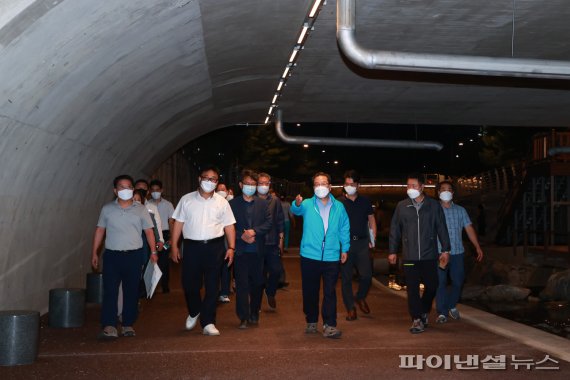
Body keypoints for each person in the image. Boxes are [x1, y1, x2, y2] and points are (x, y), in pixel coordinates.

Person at [170, 166, 236, 336]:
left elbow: (229, 225)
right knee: (189, 284)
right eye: (206, 178)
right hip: (191, 247)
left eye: (213, 179)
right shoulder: (186, 200)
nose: (209, 181)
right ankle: (194, 311)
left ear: (217, 182)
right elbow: (178, 223)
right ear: (199, 179)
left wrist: (231, 247)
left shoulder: (222, 202)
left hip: (214, 247)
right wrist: (175, 246)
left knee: (213, 286)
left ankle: (208, 322)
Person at [91, 175, 157, 339]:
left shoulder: (140, 209)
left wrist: (153, 252)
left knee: (131, 291)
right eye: (121, 187)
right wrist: (94, 252)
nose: (125, 190)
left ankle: (128, 324)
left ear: (133, 189)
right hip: (112, 256)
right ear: (115, 190)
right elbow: (100, 230)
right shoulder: (107, 209)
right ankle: (109, 325)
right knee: (110, 291)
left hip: (133, 256)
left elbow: (149, 231)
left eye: (129, 187)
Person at [388, 172, 451, 334]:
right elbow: (395, 229)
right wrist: (392, 251)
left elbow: (441, 227)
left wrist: (446, 249)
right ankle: (416, 319)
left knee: (432, 286)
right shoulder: (402, 206)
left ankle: (423, 310)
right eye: (408, 186)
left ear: (422, 187)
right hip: (409, 255)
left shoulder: (433, 205)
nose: (410, 189)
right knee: (412, 289)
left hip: (429, 254)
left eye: (414, 186)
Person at [291, 172, 350, 339]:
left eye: (323, 183)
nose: (320, 187)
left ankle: (329, 325)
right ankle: (311, 320)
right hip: (310, 255)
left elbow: (344, 228)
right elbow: (296, 210)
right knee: (310, 291)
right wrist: (296, 203)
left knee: (330, 291)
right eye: (316, 184)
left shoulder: (339, 207)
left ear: (330, 186)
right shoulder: (308, 204)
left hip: (332, 256)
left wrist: (344, 248)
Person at [435, 181, 484, 324]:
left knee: (458, 281)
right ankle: (442, 312)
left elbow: (468, 228)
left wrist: (477, 246)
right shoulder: (433, 210)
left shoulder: (461, 210)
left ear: (453, 192)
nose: (446, 191)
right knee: (441, 282)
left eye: (449, 189)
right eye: (443, 189)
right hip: (439, 252)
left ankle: (451, 305)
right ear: (438, 193)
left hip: (457, 252)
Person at [229, 170, 272, 329]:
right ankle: (243, 316)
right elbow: (227, 226)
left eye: (253, 184)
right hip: (240, 251)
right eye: (247, 184)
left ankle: (255, 312)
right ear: (241, 185)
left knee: (258, 283)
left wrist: (254, 231)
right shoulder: (232, 204)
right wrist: (241, 236)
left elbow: (268, 223)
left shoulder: (262, 203)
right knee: (241, 284)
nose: (250, 187)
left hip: (258, 250)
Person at [339, 170, 377, 321]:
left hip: (362, 243)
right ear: (344, 185)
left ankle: (360, 297)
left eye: (352, 184)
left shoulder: (365, 201)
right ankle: (350, 308)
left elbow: (371, 219)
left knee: (366, 275)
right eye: (347, 184)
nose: (350, 186)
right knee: (346, 278)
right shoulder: (338, 202)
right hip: (345, 244)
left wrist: (373, 239)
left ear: (358, 185)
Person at [256, 173, 284, 311]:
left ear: (270, 184)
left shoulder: (275, 200)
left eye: (266, 183)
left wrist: (281, 239)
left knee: (276, 270)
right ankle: (257, 302)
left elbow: (279, 220)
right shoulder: (251, 199)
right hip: (256, 243)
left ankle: (270, 292)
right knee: (258, 274)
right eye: (261, 183)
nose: (263, 185)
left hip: (272, 242)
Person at [148, 179, 175, 293]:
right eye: (153, 190)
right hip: (151, 234)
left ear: (161, 190)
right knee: (151, 261)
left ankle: (165, 284)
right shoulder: (147, 205)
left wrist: (172, 239)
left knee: (164, 261)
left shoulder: (168, 204)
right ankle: (150, 286)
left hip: (165, 235)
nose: (155, 192)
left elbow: (171, 222)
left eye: (157, 190)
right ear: (149, 191)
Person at [216, 182, 233, 303]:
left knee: (226, 267)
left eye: (224, 189)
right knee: (214, 267)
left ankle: (224, 292)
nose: (222, 191)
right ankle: (214, 291)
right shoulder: (213, 202)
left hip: (227, 240)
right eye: (219, 189)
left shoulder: (231, 203)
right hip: (215, 239)